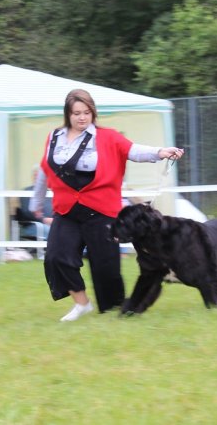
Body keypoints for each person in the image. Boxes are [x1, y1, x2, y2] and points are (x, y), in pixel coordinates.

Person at [31, 89, 184, 322]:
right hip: (67, 209)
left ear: (93, 112)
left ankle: (113, 310)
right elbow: (45, 169)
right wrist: (37, 202)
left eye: (86, 112)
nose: (82, 117)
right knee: (56, 257)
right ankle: (82, 304)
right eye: (76, 113)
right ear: (67, 114)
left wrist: (160, 152)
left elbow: (132, 150)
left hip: (101, 210)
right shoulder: (54, 137)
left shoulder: (108, 137)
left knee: (106, 267)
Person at [16, 166, 53, 240]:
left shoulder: (49, 192)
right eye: (37, 175)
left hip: (52, 224)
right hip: (34, 225)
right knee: (53, 232)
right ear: (34, 177)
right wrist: (44, 220)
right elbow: (27, 212)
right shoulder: (27, 192)